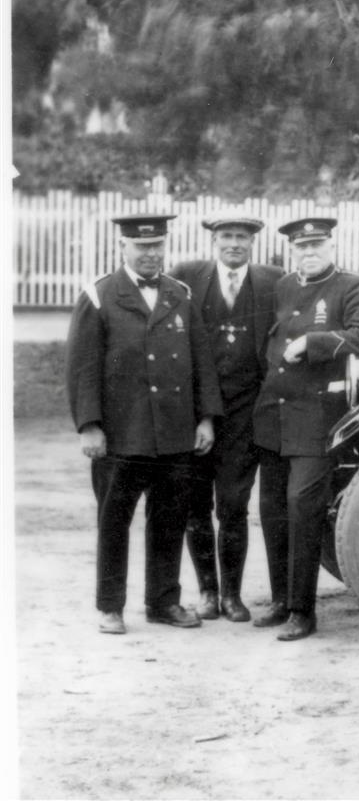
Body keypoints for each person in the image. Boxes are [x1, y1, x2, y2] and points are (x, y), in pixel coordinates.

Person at [68, 213, 223, 635]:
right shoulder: (99, 296)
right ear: (123, 247)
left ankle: (162, 602)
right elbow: (82, 368)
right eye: (142, 247)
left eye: (157, 246)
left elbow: (201, 361)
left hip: (174, 433)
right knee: (113, 521)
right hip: (121, 434)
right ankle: (109, 607)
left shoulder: (180, 294)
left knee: (170, 519)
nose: (151, 254)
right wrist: (89, 425)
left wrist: (206, 417)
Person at [252, 217, 359, 641]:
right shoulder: (286, 286)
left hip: (315, 418)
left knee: (302, 508)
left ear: (331, 246)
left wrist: (316, 342)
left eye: (316, 245)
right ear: (292, 251)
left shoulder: (350, 287)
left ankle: (302, 611)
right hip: (274, 414)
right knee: (272, 509)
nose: (309, 253)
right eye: (301, 247)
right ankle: (279, 599)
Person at [169, 211, 282, 622]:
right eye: (227, 236)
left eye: (242, 237)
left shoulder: (271, 280)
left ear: (253, 242)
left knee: (233, 504)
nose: (234, 243)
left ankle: (233, 594)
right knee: (195, 505)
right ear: (214, 241)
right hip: (197, 413)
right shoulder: (188, 276)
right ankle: (207, 593)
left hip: (246, 412)